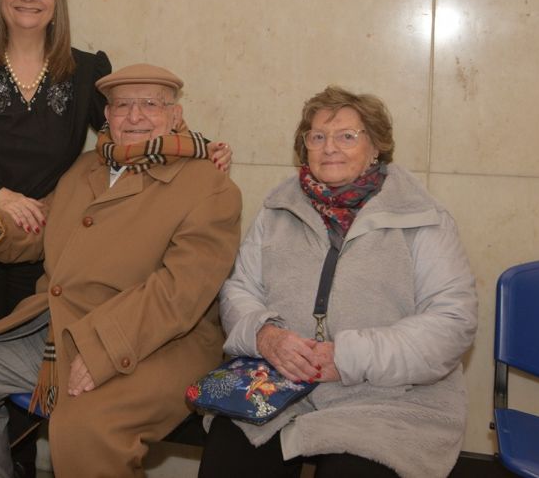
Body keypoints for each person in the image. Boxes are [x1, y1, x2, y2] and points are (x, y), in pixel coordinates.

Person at [0, 63, 242, 478]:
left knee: (85, 428)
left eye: (150, 104)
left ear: (175, 115)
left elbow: (179, 293)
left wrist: (101, 347)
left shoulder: (208, 185)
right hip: (60, 330)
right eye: (121, 106)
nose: (134, 116)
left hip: (159, 344)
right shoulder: (87, 168)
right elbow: (40, 223)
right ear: (108, 116)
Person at [0, 0, 232, 341]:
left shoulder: (86, 71)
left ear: (57, 5)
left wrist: (199, 146)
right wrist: (0, 198)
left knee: (36, 350)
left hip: (46, 235)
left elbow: (130, 127)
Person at [198, 86, 478, 478]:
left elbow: (452, 324)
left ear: (376, 147)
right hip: (278, 387)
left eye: (347, 136)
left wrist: (346, 357)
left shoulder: (422, 218)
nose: (330, 147)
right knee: (231, 456)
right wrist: (265, 337)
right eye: (317, 136)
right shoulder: (277, 210)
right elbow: (239, 289)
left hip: (386, 399)